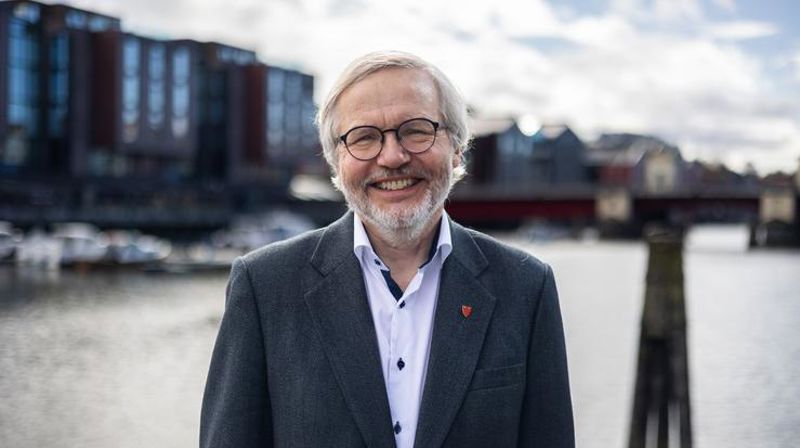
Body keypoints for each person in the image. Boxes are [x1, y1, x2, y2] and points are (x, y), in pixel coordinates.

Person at [200, 50, 574, 448]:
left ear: (457, 148)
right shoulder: (265, 287)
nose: (393, 157)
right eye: (364, 137)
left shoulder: (525, 287)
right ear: (336, 162)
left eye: (416, 130)